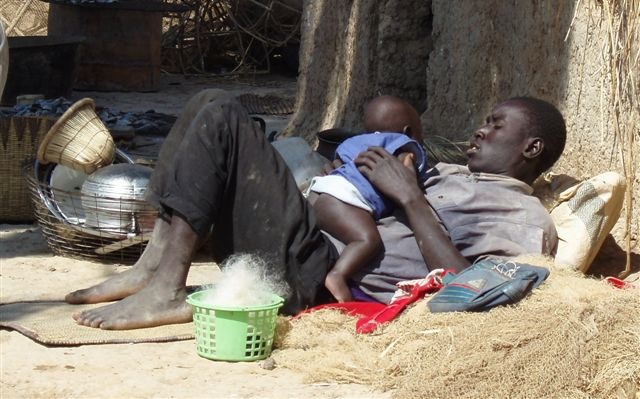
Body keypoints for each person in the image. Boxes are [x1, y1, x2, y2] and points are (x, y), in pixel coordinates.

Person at [65, 89, 566, 330]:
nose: (480, 130)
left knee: (223, 113)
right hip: (305, 238)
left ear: (532, 148)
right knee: (205, 104)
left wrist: (410, 197)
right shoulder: (454, 174)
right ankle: (153, 267)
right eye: (484, 119)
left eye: (496, 125)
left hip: (310, 271)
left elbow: (474, 291)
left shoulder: (520, 217)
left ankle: (167, 290)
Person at [307, 95, 428, 302]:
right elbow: (406, 182)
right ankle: (338, 276)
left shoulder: (355, 143)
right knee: (367, 241)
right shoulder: (403, 147)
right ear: (409, 131)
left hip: (318, 190)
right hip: (342, 200)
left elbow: (337, 163)